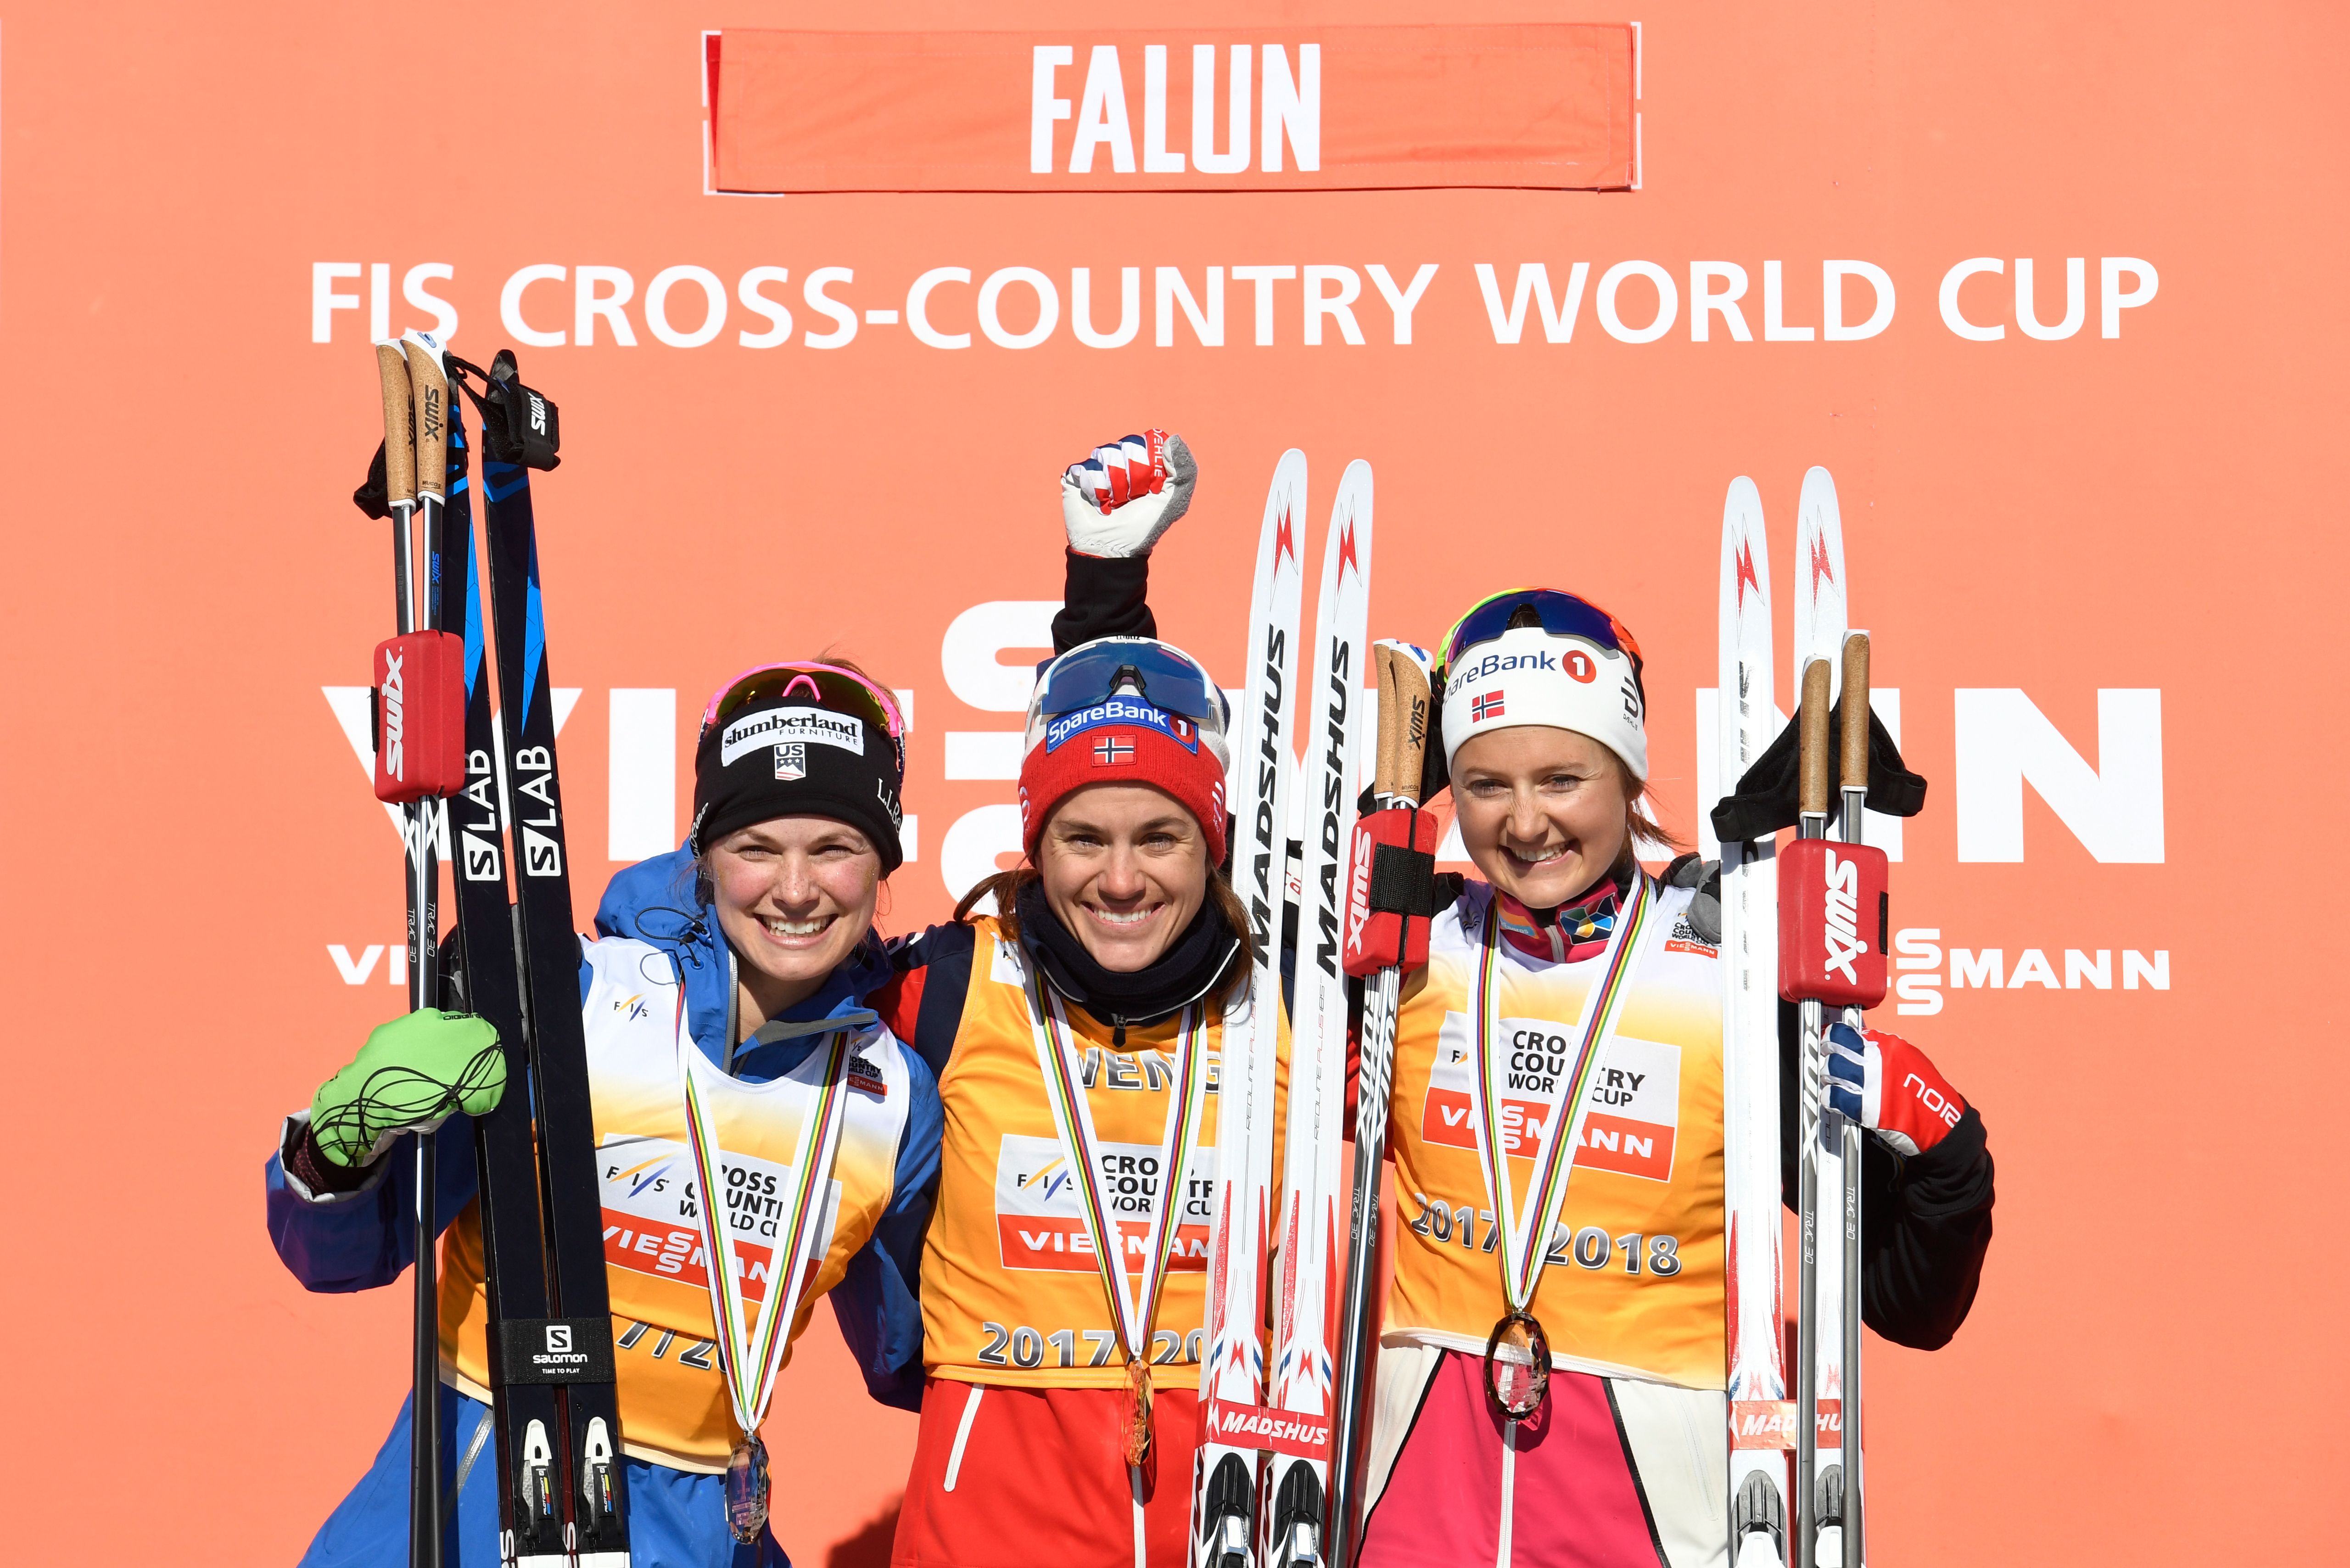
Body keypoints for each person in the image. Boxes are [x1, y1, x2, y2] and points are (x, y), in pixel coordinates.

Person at [1346, 590, 1996, 1568]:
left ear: (1628, 778)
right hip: (1423, 1503)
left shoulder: (1721, 969)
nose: (1525, 822)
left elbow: (1908, 1300)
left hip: (1657, 1512)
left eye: (1563, 776)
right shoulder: (1410, 950)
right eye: (1485, 785)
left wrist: (1947, 1154)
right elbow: (1139, 924)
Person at [267, 657, 941, 1566]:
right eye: (756, 847)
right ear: (705, 853)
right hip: (471, 1515)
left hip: (700, 1533)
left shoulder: (890, 1093)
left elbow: (924, 1356)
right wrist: (339, 1147)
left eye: (833, 848)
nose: (794, 889)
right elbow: (348, 1254)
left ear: (882, 861)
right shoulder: (569, 996)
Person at [874, 431, 1285, 1568]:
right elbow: (759, 948)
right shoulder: (952, 984)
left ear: (1215, 848)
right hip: (993, 1493)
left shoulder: (1282, 1004)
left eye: (1160, 837)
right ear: (1033, 845)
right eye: (1079, 838)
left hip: (1240, 1479)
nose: (1118, 877)